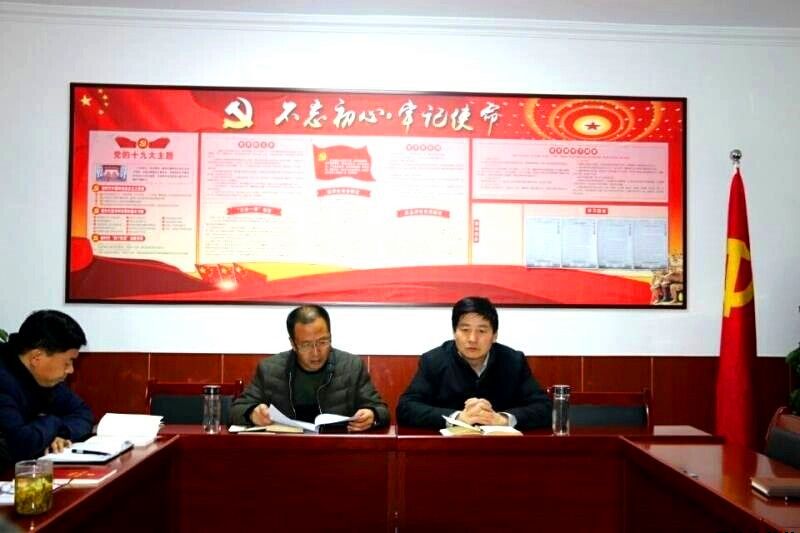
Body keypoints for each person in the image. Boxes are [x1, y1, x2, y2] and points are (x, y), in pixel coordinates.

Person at [396, 296, 551, 430]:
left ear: (494, 335)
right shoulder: (433, 361)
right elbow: (406, 408)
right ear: (454, 332)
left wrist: (503, 419)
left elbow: (545, 408)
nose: (472, 339)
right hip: (448, 449)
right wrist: (457, 418)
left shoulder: (513, 361)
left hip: (501, 448)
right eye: (465, 330)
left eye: (481, 331)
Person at [230, 305, 389, 431]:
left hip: (336, 451)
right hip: (286, 452)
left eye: (323, 342)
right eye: (306, 345)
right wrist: (252, 414)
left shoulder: (352, 366)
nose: (316, 352)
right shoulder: (270, 370)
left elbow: (381, 410)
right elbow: (235, 411)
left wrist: (372, 415)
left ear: (331, 337)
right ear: (293, 344)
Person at [0, 310, 93, 469]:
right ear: (36, 358)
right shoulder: (3, 381)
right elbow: (19, 444)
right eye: (68, 362)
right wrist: (52, 422)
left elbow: (83, 413)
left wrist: (58, 434)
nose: (71, 370)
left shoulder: (46, 378)